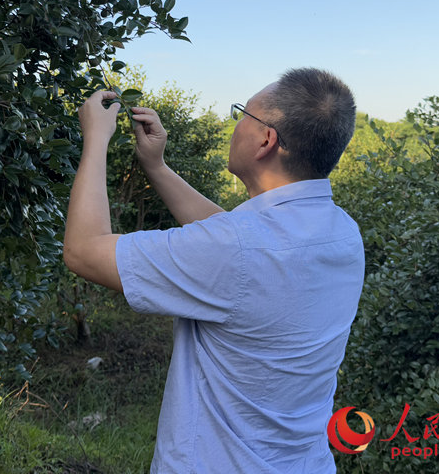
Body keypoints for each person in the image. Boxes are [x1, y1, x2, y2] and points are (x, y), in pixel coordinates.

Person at [63, 67, 365, 474]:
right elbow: (239, 244)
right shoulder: (342, 233)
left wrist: (96, 139)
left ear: (266, 140)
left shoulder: (235, 249)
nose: (236, 124)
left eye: (243, 114)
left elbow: (83, 251)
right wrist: (157, 166)